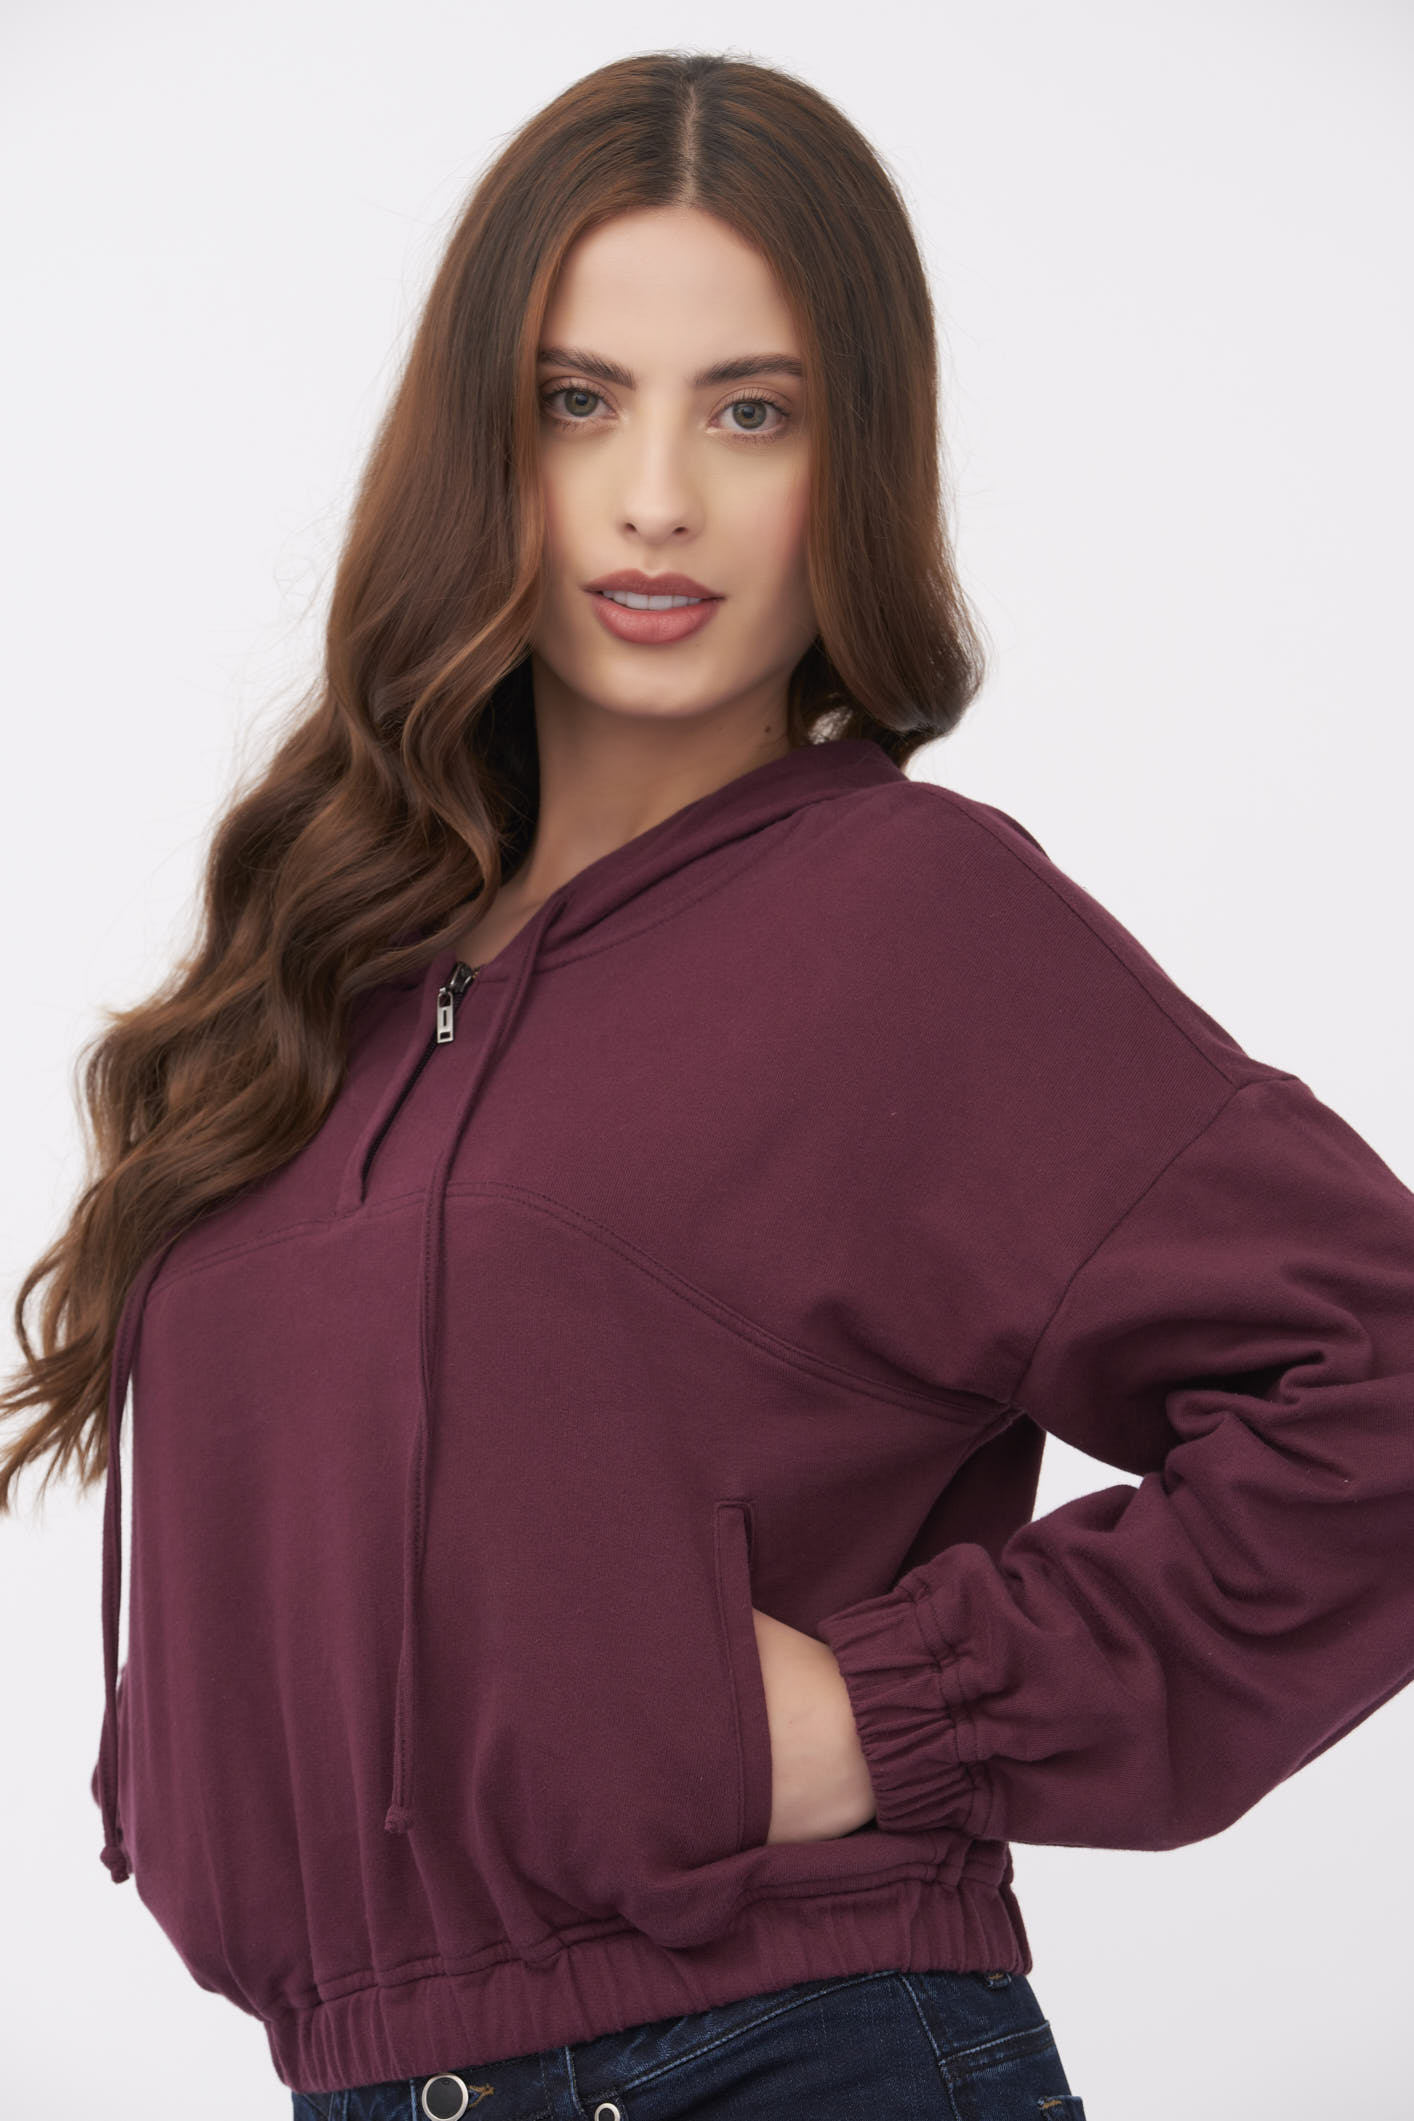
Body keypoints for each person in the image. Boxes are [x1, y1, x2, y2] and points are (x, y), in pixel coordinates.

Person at [4, 48, 1413, 2121]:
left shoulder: (908, 918)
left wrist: (886, 1713)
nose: (654, 495)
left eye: (750, 410)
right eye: (578, 401)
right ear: (478, 446)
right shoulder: (330, 974)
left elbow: (1381, 1380)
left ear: (855, 465)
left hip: (776, 2056)